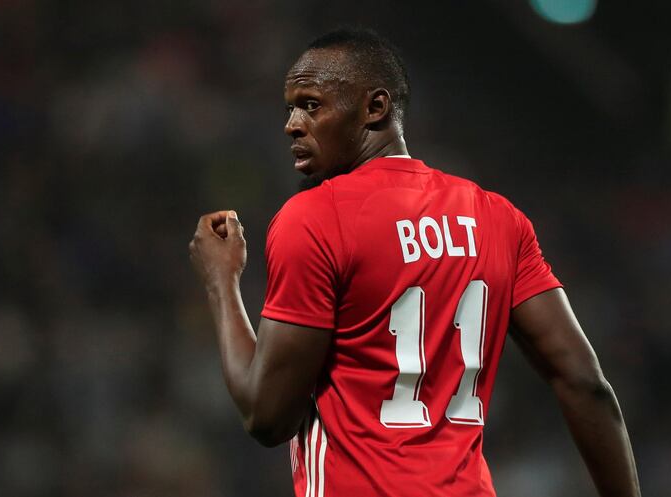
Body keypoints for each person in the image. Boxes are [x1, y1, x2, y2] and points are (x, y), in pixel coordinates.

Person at [189, 28, 640, 497]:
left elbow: (266, 417)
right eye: (290, 108)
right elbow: (584, 381)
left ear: (376, 108)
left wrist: (222, 281)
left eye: (311, 104)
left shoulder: (316, 217)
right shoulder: (497, 218)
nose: (292, 124)